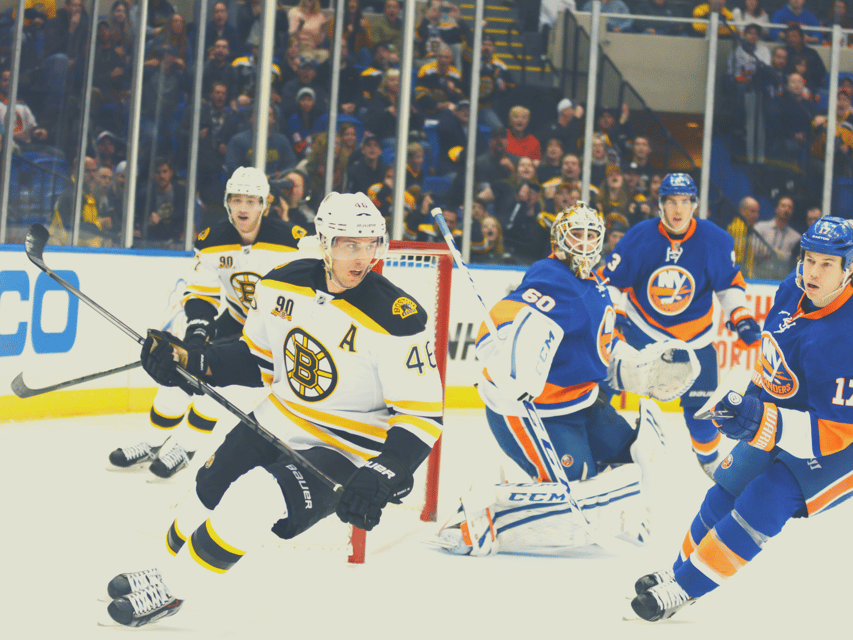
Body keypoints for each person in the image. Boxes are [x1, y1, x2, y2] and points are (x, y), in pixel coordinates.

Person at [106, 192, 443, 627]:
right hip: (276, 417)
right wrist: (193, 362)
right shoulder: (281, 283)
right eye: (348, 244)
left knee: (254, 498)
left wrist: (385, 471)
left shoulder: (398, 318)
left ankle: (173, 589)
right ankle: (166, 570)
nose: (363, 257)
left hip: (345, 446)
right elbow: (257, 361)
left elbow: (421, 416)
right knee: (204, 492)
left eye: (371, 243)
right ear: (324, 241)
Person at [631, 216, 853, 622]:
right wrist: (747, 404)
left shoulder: (846, 336)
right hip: (793, 414)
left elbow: (834, 432)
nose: (813, 272)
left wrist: (759, 421)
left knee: (765, 498)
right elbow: (774, 368)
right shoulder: (792, 289)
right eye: (809, 259)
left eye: (827, 264)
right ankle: (681, 570)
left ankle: (684, 589)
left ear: (848, 269)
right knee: (726, 487)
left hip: (841, 443)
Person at [436, 203, 663, 556]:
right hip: (533, 411)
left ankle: (615, 512)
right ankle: (478, 515)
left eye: (592, 235)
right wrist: (508, 355)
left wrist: (635, 366)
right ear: (559, 238)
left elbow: (600, 343)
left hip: (582, 402)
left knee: (631, 452)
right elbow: (504, 315)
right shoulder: (553, 275)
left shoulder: (594, 282)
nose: (585, 243)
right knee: (576, 494)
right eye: (577, 234)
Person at [109, 166, 307, 479]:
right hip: (233, 321)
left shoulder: (293, 241)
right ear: (227, 202)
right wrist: (198, 334)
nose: (243, 207)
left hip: (272, 336)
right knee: (177, 373)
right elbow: (201, 294)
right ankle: (150, 442)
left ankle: (185, 448)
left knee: (222, 388)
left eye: (251, 201)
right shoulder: (212, 239)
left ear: (265, 204)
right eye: (236, 199)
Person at [600, 173, 761, 474]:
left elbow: (727, 286)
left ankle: (712, 462)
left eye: (685, 202)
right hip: (641, 330)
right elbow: (612, 282)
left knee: (703, 417)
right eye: (671, 201)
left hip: (695, 339)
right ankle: (597, 446)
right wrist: (614, 315)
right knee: (601, 389)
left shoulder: (715, 239)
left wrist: (741, 316)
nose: (678, 209)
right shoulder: (638, 236)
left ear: (694, 205)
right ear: (660, 205)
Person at [753, 195, 802, 279]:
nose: (786, 209)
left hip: (781, 278)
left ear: (792, 211)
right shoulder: (760, 228)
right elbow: (754, 250)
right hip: (758, 276)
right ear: (776, 208)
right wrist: (776, 253)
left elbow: (792, 260)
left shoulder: (796, 237)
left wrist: (769, 252)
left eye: (789, 207)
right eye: (783, 206)